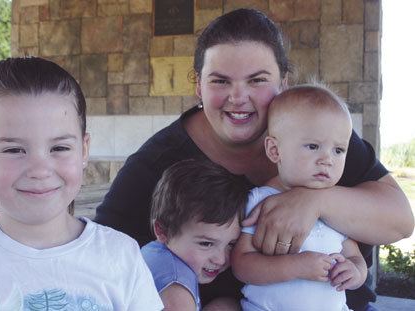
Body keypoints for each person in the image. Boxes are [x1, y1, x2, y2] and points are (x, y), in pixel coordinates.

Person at [94, 8, 414, 310]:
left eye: (257, 80)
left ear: (283, 82)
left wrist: (314, 202)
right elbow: (98, 257)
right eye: (220, 80)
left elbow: (400, 222)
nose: (238, 97)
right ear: (198, 86)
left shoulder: (320, 136)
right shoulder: (158, 163)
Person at [0, 57, 163, 310]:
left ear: (83, 151)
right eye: (14, 150)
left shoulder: (120, 255)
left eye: (59, 147)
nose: (40, 170)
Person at [232, 84, 368, 310]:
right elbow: (241, 265)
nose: (327, 159)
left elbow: (355, 257)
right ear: (275, 150)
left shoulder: (336, 206)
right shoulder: (261, 200)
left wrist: (355, 272)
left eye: (338, 150)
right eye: (313, 146)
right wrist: (295, 266)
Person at [141, 159, 249, 310]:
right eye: (206, 243)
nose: (221, 259)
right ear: (162, 231)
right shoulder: (176, 289)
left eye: (231, 244)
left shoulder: (153, 253)